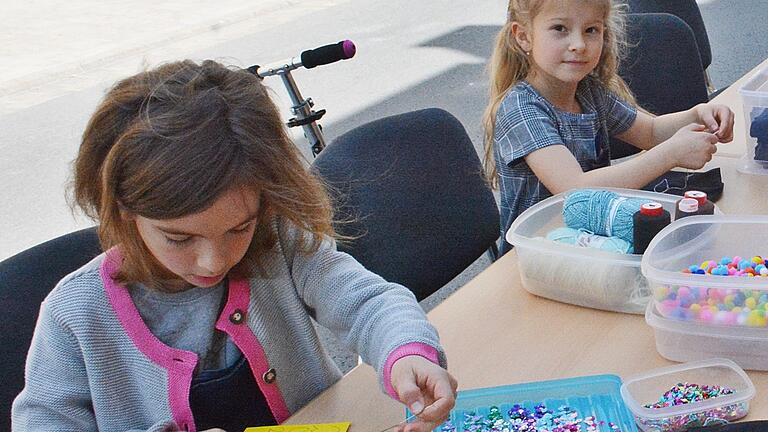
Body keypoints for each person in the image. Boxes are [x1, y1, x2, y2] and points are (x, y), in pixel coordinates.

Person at [12, 60, 456, 432]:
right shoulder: (74, 317)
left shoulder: (278, 243)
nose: (215, 260)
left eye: (239, 228)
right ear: (125, 210)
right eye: (179, 238)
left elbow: (369, 303)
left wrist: (405, 352)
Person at [483, 0, 735, 254]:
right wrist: (671, 154)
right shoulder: (521, 109)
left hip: (592, 238)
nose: (579, 45)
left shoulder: (589, 91)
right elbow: (574, 189)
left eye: (591, 30)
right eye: (560, 28)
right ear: (524, 37)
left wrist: (697, 116)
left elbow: (650, 132)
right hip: (534, 254)